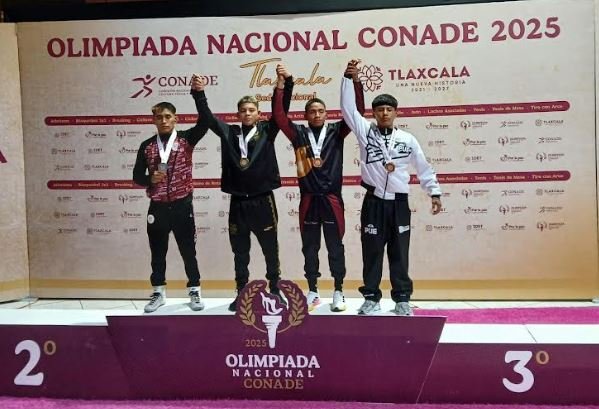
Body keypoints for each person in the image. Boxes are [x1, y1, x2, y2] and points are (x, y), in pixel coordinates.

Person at [340, 64, 442, 316]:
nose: (384, 113)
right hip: (373, 202)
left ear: (396, 112)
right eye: (380, 109)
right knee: (372, 252)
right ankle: (371, 298)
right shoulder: (365, 131)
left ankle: (402, 299)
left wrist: (434, 192)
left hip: (399, 204)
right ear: (374, 113)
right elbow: (348, 108)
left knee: (399, 253)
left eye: (389, 109)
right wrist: (348, 79)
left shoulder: (407, 139)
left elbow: (423, 166)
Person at [192, 68, 292, 311]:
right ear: (238, 114)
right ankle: (242, 292)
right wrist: (199, 93)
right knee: (240, 252)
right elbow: (208, 118)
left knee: (270, 249)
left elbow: (282, 110)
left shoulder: (268, 130)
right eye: (243, 110)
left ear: (258, 114)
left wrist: (284, 85)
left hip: (263, 201)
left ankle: (275, 288)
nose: (247, 113)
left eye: (251, 110)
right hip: (238, 203)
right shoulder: (229, 132)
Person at [272, 61, 364, 312]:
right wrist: (280, 86)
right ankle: (312, 290)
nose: (316, 114)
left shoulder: (337, 131)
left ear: (326, 114)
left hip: (332, 199)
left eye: (320, 111)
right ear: (306, 115)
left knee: (335, 247)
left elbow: (357, 111)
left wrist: (355, 81)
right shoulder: (298, 134)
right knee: (310, 248)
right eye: (312, 111)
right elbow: (279, 116)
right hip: (308, 200)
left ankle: (338, 290)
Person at [133, 80, 209, 313]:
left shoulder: (187, 139)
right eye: (159, 117)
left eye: (168, 116)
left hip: (182, 205)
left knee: (188, 251)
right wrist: (150, 179)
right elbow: (136, 176)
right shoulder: (146, 145)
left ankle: (194, 289)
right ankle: (158, 292)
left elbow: (206, 121)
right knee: (158, 252)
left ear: (176, 119)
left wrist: (199, 94)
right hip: (157, 207)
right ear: (154, 120)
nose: (164, 121)